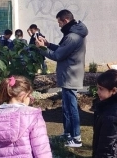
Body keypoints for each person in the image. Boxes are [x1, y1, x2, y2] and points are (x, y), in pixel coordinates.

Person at [35, 10, 88, 148]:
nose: (59, 25)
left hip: (70, 75)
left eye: (59, 22)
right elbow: (61, 49)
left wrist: (41, 49)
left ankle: (76, 138)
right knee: (66, 107)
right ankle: (68, 133)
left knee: (71, 107)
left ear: (65, 20)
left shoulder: (72, 37)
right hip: (68, 75)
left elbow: (58, 56)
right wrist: (47, 44)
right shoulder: (73, 35)